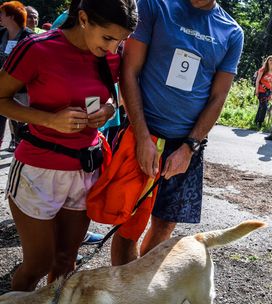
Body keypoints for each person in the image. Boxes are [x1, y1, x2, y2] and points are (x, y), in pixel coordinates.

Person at [0, 0, 136, 291]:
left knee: (66, 262)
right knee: (38, 264)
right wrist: (49, 120)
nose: (114, 49)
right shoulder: (37, 48)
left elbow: (112, 96)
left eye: (120, 41)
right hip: (37, 170)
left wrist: (109, 110)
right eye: (108, 38)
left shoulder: (110, 56)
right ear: (84, 18)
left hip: (85, 170)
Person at [112, 0, 244, 266]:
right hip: (143, 133)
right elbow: (129, 70)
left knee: (164, 227)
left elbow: (218, 97)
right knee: (129, 227)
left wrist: (189, 147)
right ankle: (124, 288)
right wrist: (141, 136)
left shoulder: (232, 32)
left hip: (186, 145)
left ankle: (140, 287)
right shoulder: (155, 5)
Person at [0, 1, 32, 152]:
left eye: (2, 13)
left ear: (12, 16)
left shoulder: (29, 37)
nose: (0, 16)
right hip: (2, 87)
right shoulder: (1, 34)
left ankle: (21, 150)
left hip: (24, 89)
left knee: (22, 124)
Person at [253, 55, 272, 129]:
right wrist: (256, 91)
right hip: (261, 91)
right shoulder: (263, 70)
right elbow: (257, 81)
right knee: (264, 107)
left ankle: (256, 121)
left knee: (261, 106)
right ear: (267, 61)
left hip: (268, 92)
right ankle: (260, 122)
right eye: (270, 60)